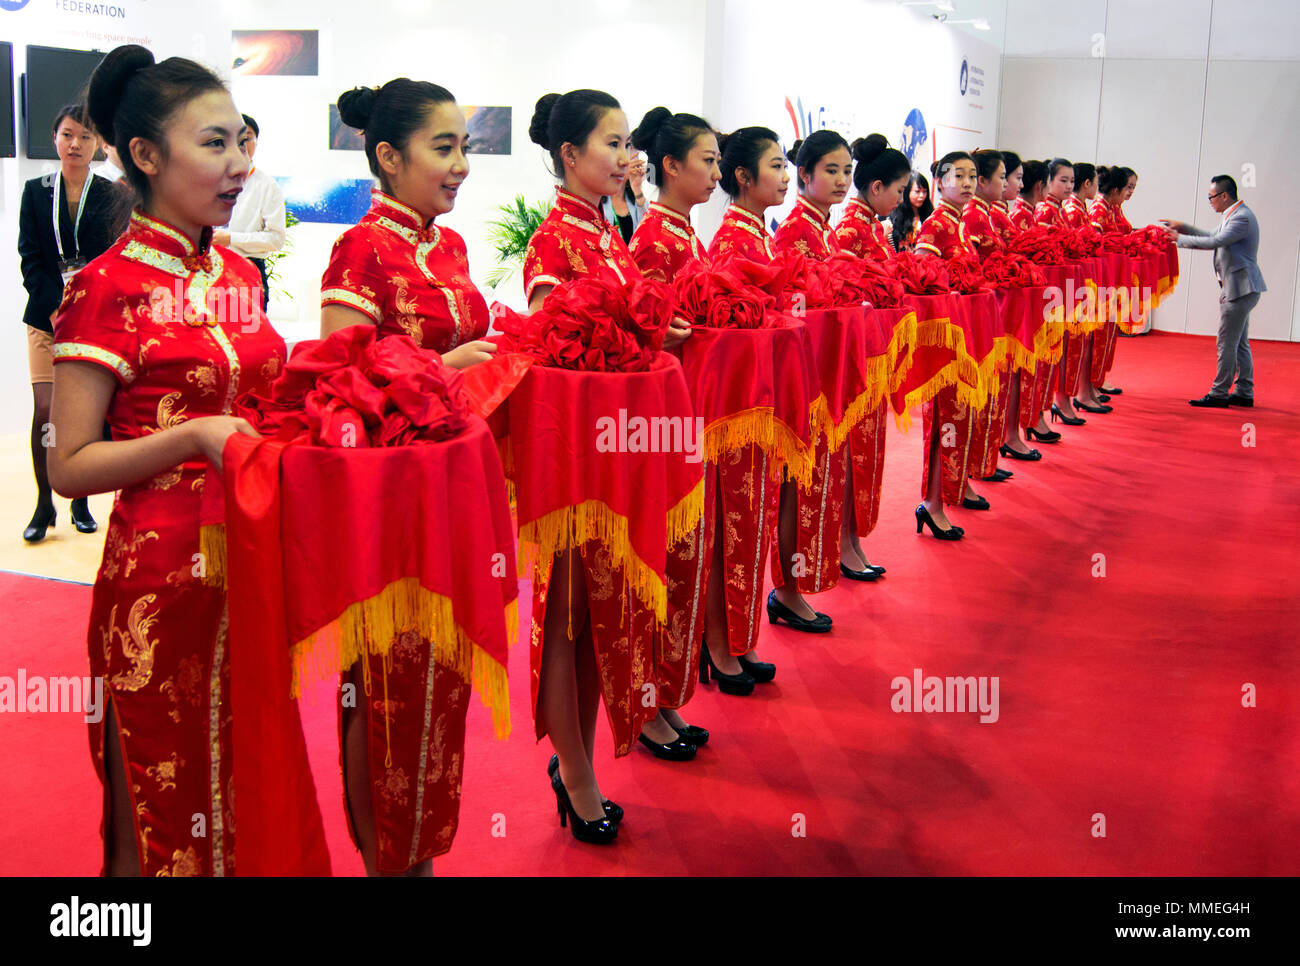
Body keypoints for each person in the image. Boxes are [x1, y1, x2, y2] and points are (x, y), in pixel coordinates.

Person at [49, 44, 284, 876]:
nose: (238, 164)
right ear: (146, 156)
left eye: (241, 143)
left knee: (243, 789)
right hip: (160, 585)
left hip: (254, 568)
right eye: (214, 144)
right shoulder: (104, 288)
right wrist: (191, 439)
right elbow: (69, 466)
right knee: (163, 813)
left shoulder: (235, 273)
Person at [320, 78, 499, 875]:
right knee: (386, 684)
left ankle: (418, 854)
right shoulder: (361, 249)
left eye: (464, 146)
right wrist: (446, 368)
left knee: (440, 683)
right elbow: (340, 385)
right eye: (443, 148)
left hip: (452, 491)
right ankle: (389, 862)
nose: (461, 165)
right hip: (389, 504)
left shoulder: (446, 245)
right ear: (388, 157)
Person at [524, 88, 692, 843]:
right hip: (574, 471)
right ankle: (575, 769)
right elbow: (555, 360)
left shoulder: (607, 236)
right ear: (569, 155)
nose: (628, 157)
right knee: (565, 619)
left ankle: (581, 757)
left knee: (601, 619)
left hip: (619, 459)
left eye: (629, 143)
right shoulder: (554, 243)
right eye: (613, 143)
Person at [626, 105, 722, 734]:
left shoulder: (684, 233)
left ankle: (670, 690)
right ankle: (650, 702)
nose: (715, 173)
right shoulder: (652, 240)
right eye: (707, 161)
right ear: (672, 165)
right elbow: (642, 338)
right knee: (660, 558)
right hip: (663, 421)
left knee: (686, 555)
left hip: (693, 410)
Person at [17, 103, 119, 542]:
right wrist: (56, 304)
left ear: (97, 144)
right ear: (55, 138)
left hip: (92, 320)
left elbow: (112, 260)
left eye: (84, 136)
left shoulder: (111, 195)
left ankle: (80, 500)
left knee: (89, 416)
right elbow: (31, 259)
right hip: (45, 317)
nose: (74, 144)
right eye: (66, 134)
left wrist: (79, 304)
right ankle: (44, 502)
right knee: (46, 411)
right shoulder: (36, 190)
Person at [770, 130, 850, 631]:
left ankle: (796, 584)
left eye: (847, 171)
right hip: (797, 378)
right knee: (793, 486)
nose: (842, 181)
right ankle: (786, 589)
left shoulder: (819, 228)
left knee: (811, 483)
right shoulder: (793, 230)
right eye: (831, 170)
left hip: (821, 374)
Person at [833, 133, 911, 577]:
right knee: (851, 454)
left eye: (846, 171)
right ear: (877, 187)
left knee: (864, 453)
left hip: (872, 355)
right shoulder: (848, 230)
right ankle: (845, 543)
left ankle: (853, 539)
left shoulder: (867, 227)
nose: (902, 199)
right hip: (856, 359)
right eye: (898, 190)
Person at [914, 150, 984, 536]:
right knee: (943, 421)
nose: (968, 182)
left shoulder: (959, 224)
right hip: (946, 341)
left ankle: (945, 494)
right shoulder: (937, 225)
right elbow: (925, 277)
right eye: (958, 175)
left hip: (965, 335)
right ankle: (932, 502)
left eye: (972, 176)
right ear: (939, 181)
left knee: (958, 418)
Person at [1164, 175, 1266, 408]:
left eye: (1211, 197)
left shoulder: (1242, 218)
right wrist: (1183, 227)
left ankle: (1219, 393)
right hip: (1239, 287)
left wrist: (1179, 239)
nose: (1210, 201)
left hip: (1240, 289)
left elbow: (1215, 241)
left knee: (1226, 342)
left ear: (1224, 196)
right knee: (1239, 342)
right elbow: (1212, 235)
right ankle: (1244, 391)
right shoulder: (1234, 214)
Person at [215, 114, 285, 311]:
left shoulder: (267, 185)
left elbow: (276, 239)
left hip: (248, 271)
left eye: (247, 137)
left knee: (250, 336)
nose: (241, 144)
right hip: (208, 271)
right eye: (233, 138)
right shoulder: (207, 179)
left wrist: (230, 239)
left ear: (256, 141)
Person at [707, 125, 785, 264]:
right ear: (743, 176)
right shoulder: (730, 244)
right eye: (777, 166)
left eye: (784, 167)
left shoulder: (760, 235)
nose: (786, 177)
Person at [601, 149, 647, 243]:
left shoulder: (636, 197)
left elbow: (647, 228)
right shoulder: (599, 200)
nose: (634, 168)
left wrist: (637, 188)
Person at [889, 170, 932, 253]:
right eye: (917, 191)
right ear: (907, 192)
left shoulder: (930, 215)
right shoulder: (895, 216)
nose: (922, 196)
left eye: (925, 191)